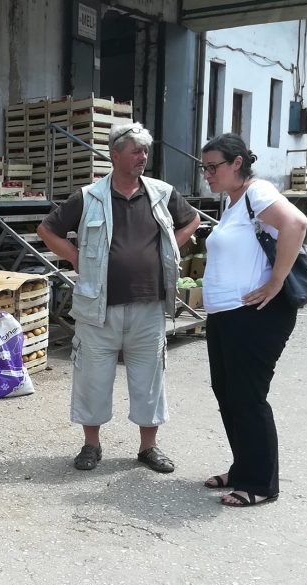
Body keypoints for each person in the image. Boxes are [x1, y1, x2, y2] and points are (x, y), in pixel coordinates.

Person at [37, 122, 200, 473]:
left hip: (149, 306)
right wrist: (75, 257)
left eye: (145, 151)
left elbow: (193, 220)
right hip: (99, 307)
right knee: (92, 378)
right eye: (136, 151)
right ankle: (91, 445)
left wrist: (169, 248)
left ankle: (148, 447)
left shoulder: (162, 193)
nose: (143, 157)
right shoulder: (89, 196)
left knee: (149, 379)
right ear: (115, 155)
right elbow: (46, 230)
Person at [199, 133, 307, 507]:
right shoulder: (233, 203)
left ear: (237, 163)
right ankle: (243, 468)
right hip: (226, 315)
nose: (207, 174)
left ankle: (261, 483)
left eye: (213, 167)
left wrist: (275, 282)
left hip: (255, 316)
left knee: (247, 397)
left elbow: (296, 223)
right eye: (204, 167)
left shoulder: (256, 192)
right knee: (228, 394)